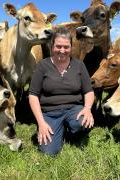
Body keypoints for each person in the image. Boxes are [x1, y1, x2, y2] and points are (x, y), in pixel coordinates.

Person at [29, 27, 94, 156]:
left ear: (71, 47)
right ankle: (57, 128)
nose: (62, 51)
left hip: (73, 109)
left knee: (83, 123)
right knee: (48, 152)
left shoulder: (79, 65)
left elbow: (88, 91)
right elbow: (33, 95)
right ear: (52, 46)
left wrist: (87, 108)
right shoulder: (43, 65)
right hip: (50, 112)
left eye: (66, 47)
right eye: (58, 46)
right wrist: (41, 123)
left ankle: (72, 132)